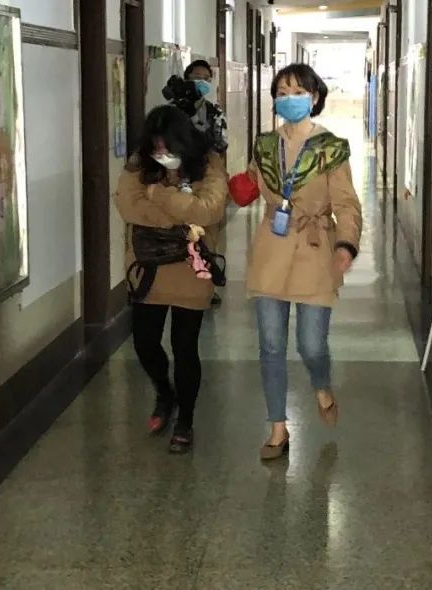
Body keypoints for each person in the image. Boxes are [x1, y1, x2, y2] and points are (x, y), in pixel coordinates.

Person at [243, 63, 363, 460]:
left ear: (314, 98)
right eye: (281, 92)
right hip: (271, 249)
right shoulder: (264, 145)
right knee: (271, 345)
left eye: (297, 92)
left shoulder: (331, 148)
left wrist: (346, 245)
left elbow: (346, 203)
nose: (289, 98)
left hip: (314, 248)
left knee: (311, 345)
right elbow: (248, 185)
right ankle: (278, 428)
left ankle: (321, 384)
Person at [114, 105, 228, 454]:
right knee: (145, 343)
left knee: (185, 346)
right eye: (156, 146)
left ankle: (185, 421)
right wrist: (180, 217)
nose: (161, 153)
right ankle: (165, 392)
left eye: (168, 146)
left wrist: (159, 195)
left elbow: (210, 210)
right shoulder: (139, 164)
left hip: (192, 268)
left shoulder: (208, 163)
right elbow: (128, 207)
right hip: (148, 269)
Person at [183, 60, 229, 155]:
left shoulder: (215, 113)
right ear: (187, 79)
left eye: (206, 78)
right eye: (197, 77)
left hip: (203, 161)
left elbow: (220, 147)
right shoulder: (174, 109)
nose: (202, 81)